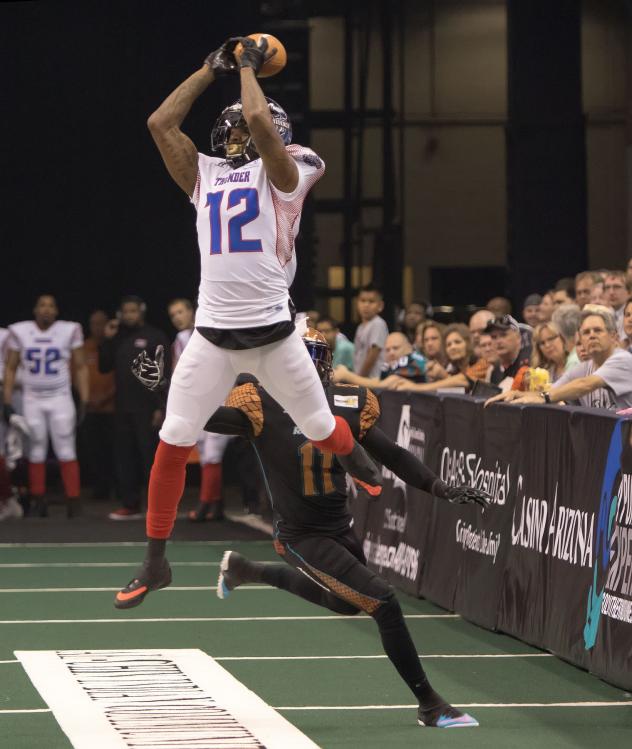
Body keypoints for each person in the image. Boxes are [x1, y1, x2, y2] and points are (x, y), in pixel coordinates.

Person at [120, 328, 490, 730]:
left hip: (340, 526)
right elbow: (201, 416)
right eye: (304, 355)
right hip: (300, 535)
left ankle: (249, 570)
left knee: (349, 603)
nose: (312, 365)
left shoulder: (347, 402)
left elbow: (393, 454)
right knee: (384, 601)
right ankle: (430, 704)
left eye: (316, 355)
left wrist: (440, 487)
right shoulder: (260, 404)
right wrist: (166, 389)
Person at [124, 37, 382, 578]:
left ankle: (356, 457)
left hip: (274, 332)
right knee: (173, 438)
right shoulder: (206, 175)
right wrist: (207, 68)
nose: (244, 128)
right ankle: (153, 562)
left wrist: (246, 69)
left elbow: (265, 129)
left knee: (317, 425)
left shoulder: (296, 166)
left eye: (249, 122)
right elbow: (159, 124)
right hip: (213, 333)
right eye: (234, 124)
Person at [2, 295, 88, 517]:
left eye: (51, 306)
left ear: (57, 311)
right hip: (32, 398)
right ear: (34, 310)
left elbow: (80, 366)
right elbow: (10, 368)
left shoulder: (69, 330)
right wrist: (8, 400)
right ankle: (38, 499)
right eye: (42, 305)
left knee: (66, 447)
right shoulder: (20, 331)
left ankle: (73, 501)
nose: (46, 310)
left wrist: (84, 398)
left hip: (60, 395)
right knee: (36, 449)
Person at [99, 296, 170, 519]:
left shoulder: (155, 336)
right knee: (124, 457)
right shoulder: (118, 337)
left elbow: (164, 374)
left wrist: (161, 406)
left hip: (148, 408)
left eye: (133, 311)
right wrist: (107, 339)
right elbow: (104, 367)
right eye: (126, 311)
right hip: (123, 408)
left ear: (142, 311)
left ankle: (156, 506)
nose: (130, 315)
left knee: (149, 457)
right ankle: (130, 504)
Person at [487, 307, 632, 411]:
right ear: (580, 339)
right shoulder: (584, 367)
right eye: (586, 332)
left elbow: (585, 385)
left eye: (598, 330)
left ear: (613, 336)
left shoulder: (622, 359)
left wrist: (544, 398)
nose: (592, 335)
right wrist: (517, 394)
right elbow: (553, 390)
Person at [167, 297, 233, 522]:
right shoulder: (181, 338)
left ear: (192, 311)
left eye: (180, 312)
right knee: (206, 453)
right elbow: (178, 371)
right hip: (199, 401)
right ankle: (217, 505)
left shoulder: (214, 331)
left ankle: (205, 504)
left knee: (213, 453)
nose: (177, 317)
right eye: (173, 314)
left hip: (221, 398)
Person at [389, 324, 489, 393]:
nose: (452, 347)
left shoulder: (482, 362)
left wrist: (416, 387)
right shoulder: (452, 367)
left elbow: (463, 381)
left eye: (457, 342)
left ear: (468, 343)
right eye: (448, 344)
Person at [79, 310, 116, 500]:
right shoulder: (84, 347)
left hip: (112, 408)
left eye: (102, 323)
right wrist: (86, 398)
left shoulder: (115, 345)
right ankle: (99, 488)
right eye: (94, 323)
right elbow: (75, 374)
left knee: (114, 450)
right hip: (90, 408)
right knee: (94, 450)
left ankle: (117, 487)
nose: (98, 327)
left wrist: (106, 397)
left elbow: (121, 377)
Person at [334, 331, 425, 389]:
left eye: (396, 348)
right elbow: (378, 381)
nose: (391, 353)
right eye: (388, 350)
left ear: (409, 347)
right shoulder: (391, 365)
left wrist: (346, 376)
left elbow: (387, 384)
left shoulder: (414, 359)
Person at [484, 315, 532, 390]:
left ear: (518, 337)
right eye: (494, 337)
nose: (498, 341)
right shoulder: (494, 371)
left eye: (503, 335)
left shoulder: (531, 364)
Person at [353, 284, 389, 378]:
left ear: (380, 305)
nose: (366, 305)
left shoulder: (378, 323)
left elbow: (373, 354)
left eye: (371, 301)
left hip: (372, 380)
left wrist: (359, 378)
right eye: (363, 301)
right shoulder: (360, 327)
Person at [603, 271, 630, 340]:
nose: (611, 292)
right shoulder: (603, 314)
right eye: (607, 287)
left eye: (617, 287)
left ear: (629, 292)